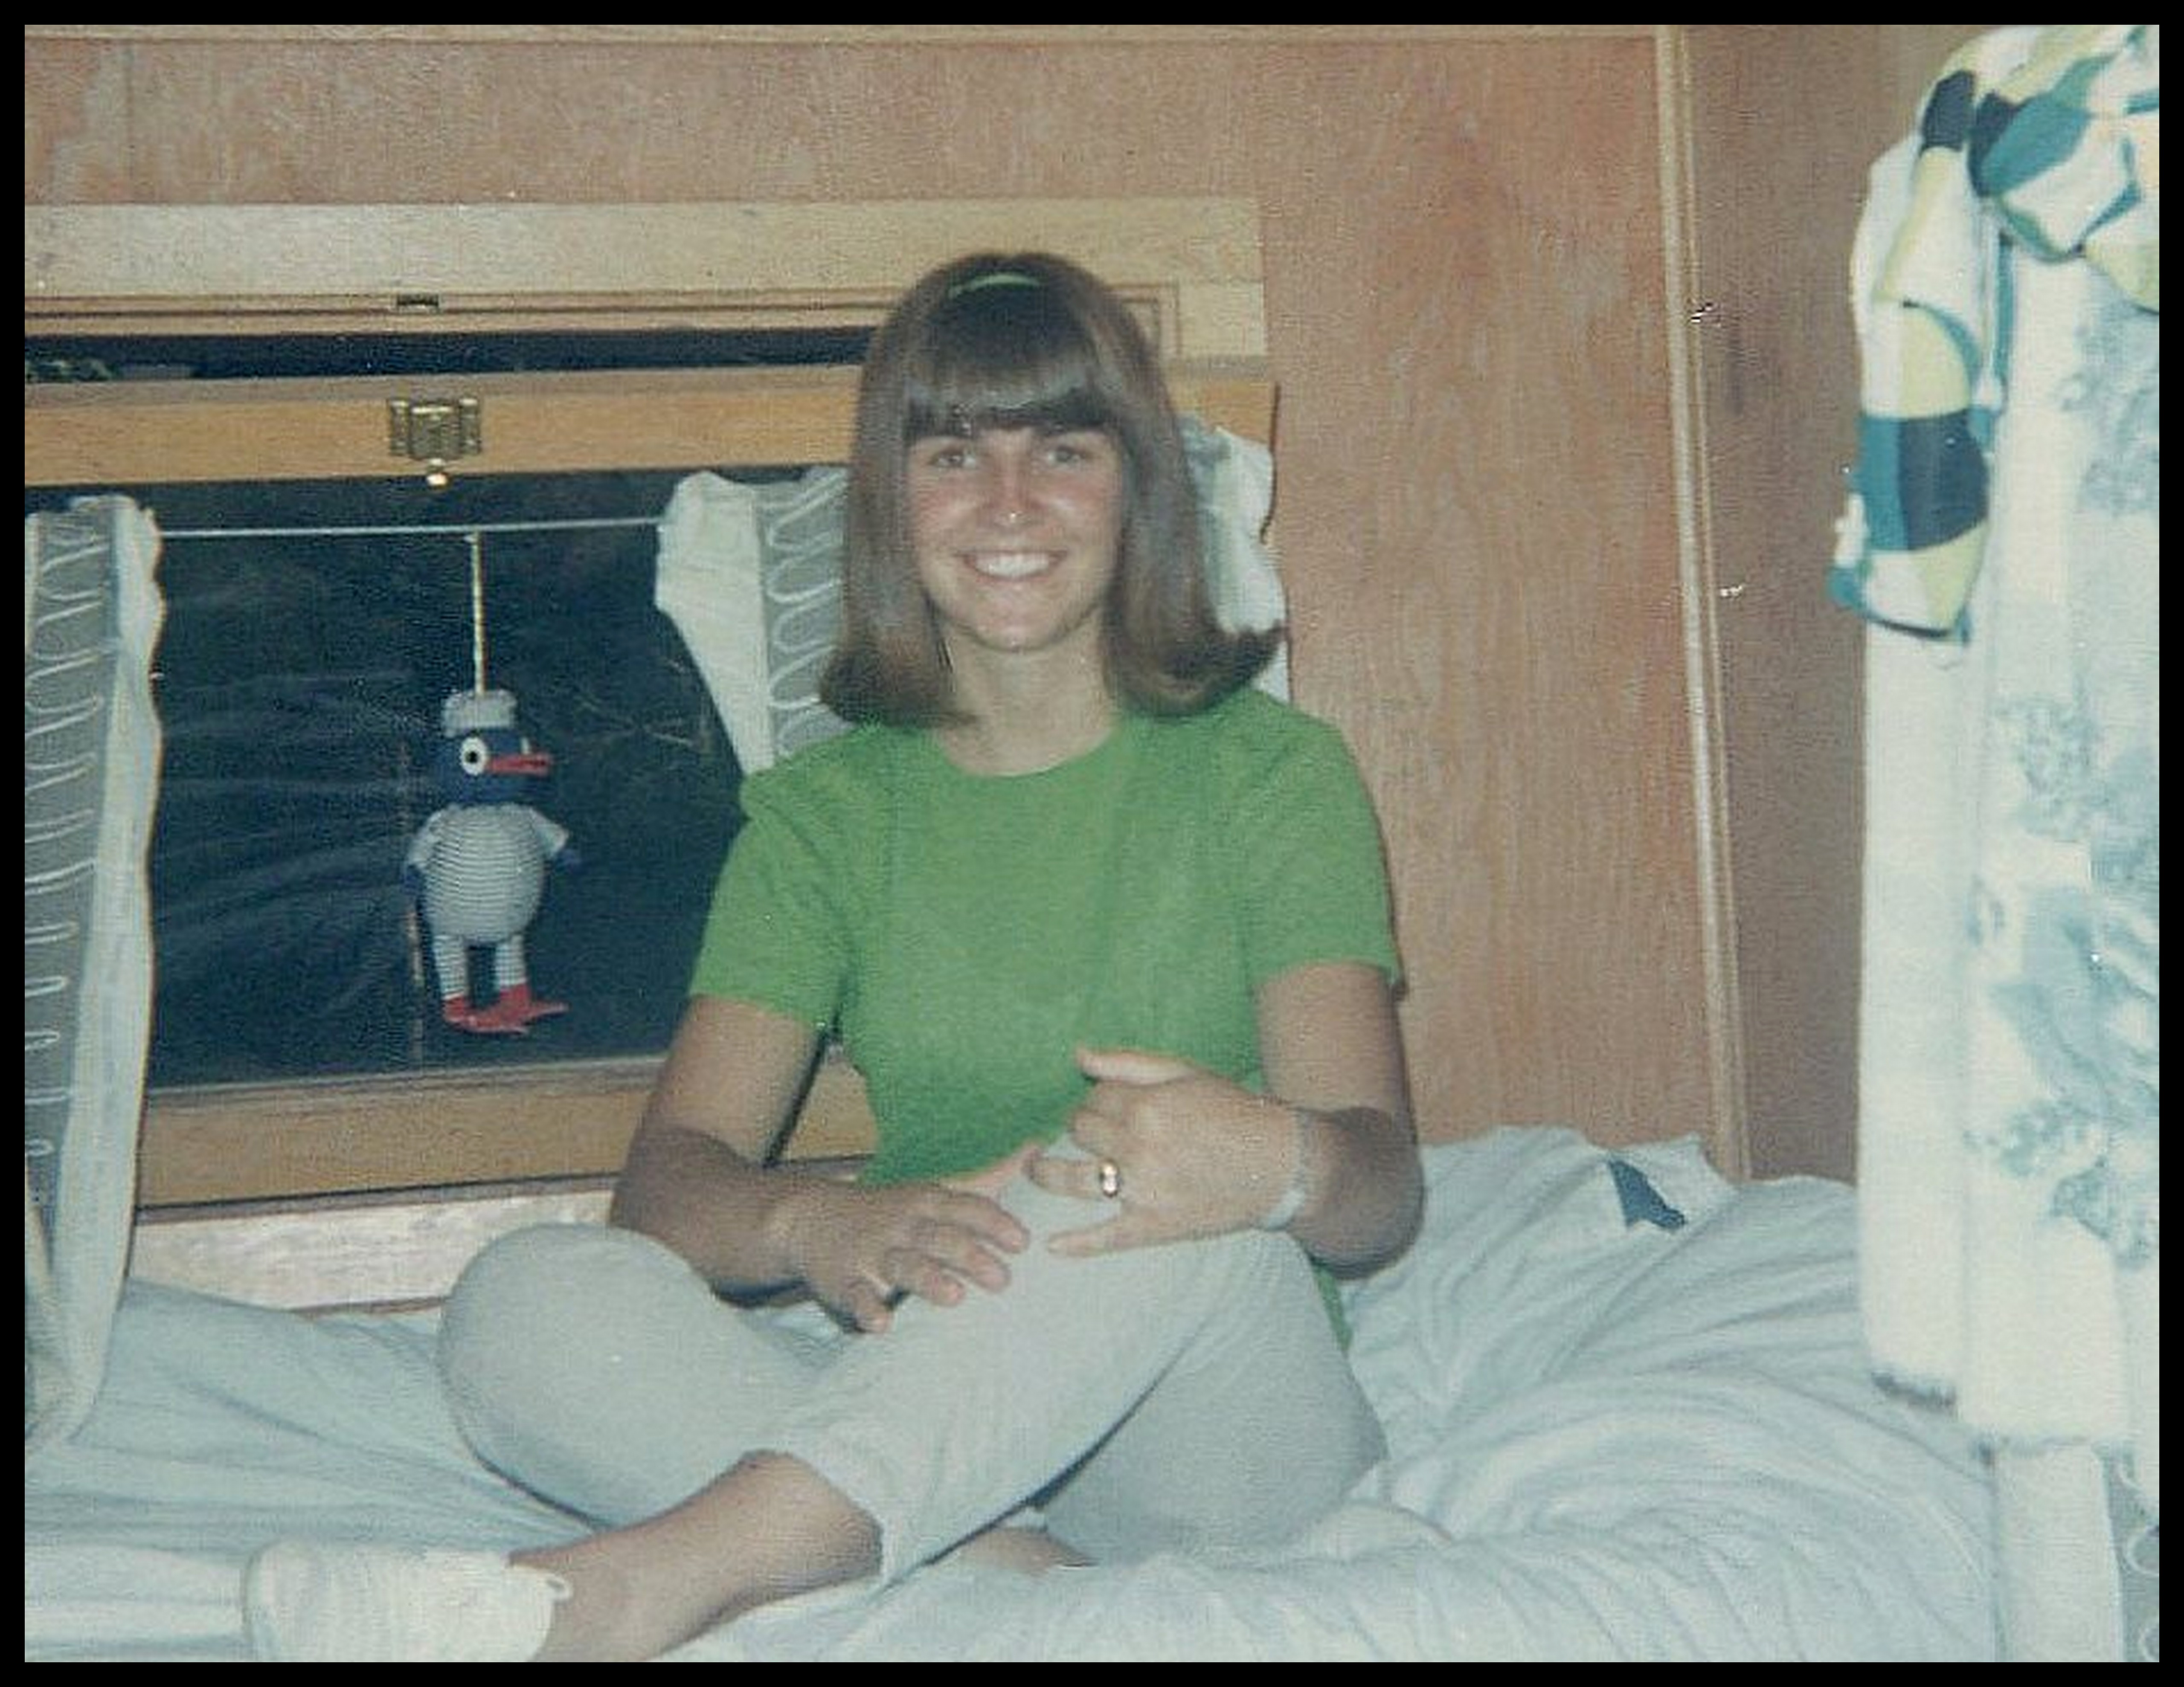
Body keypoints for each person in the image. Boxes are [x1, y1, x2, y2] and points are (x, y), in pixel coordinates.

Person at [243, 250, 1423, 1662]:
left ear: (1138, 488)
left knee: (1134, 1170)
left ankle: (642, 1588)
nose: (1009, 503)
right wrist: (819, 1225)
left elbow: (1380, 1198)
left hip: (1215, 1440)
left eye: (1064, 449)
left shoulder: (1272, 774)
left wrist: (1274, 1160)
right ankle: (1002, 1577)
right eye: (953, 455)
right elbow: (668, 1186)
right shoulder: (826, 816)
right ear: (890, 503)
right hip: (945, 1407)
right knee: (527, 1297)